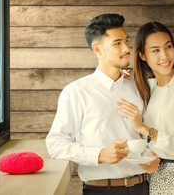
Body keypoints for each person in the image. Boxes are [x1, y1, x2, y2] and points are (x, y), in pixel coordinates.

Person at [45, 14, 160, 195]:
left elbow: (145, 135)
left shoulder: (139, 87)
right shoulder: (76, 92)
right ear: (98, 49)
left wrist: (150, 155)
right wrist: (99, 155)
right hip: (101, 190)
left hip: (143, 187)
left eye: (126, 41)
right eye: (117, 43)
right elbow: (55, 144)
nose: (126, 48)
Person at [117, 21, 174, 194]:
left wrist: (145, 129)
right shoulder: (148, 86)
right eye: (155, 50)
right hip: (154, 179)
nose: (165, 56)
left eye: (168, 47)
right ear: (143, 56)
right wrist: (121, 78)